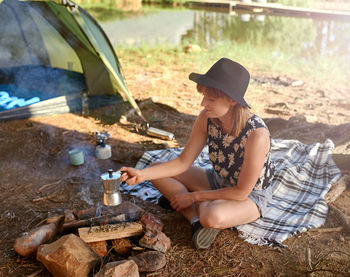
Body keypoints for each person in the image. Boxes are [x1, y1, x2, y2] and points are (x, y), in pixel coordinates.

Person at [120, 58, 274, 249]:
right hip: (218, 181)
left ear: (232, 100)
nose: (203, 103)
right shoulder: (207, 118)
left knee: (211, 215)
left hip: (249, 197)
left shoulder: (257, 135)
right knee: (155, 169)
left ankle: (197, 208)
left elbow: (241, 192)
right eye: (203, 96)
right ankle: (194, 221)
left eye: (211, 99)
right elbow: (183, 162)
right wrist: (141, 175)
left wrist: (194, 197)